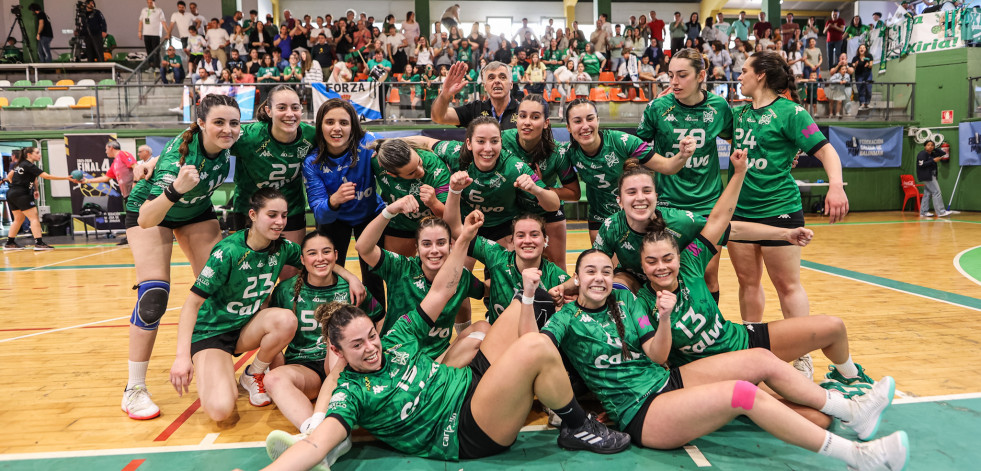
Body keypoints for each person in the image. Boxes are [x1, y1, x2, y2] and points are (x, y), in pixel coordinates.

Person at [260, 211, 631, 471]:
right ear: (339, 352)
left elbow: (441, 290)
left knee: (525, 305)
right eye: (357, 346)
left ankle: (556, 383)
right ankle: (577, 424)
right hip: (467, 429)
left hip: (469, 384)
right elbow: (314, 444)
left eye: (372, 336)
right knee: (535, 347)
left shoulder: (398, 335)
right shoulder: (352, 391)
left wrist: (465, 239)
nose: (372, 347)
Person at [528, 246, 909, 471]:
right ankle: (858, 456)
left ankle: (854, 411)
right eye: (590, 271)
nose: (599, 278)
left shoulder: (626, 300)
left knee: (757, 356)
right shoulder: (565, 319)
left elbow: (658, 355)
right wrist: (530, 298)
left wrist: (663, 318)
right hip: (642, 412)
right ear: (576, 277)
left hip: (666, 381)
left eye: (606, 271)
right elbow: (532, 349)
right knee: (743, 394)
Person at [119, 94, 241, 420]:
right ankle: (134, 389)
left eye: (233, 123)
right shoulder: (177, 164)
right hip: (153, 210)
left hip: (195, 212)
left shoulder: (226, 142)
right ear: (201, 123)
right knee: (155, 294)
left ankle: (215, 366)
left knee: (220, 287)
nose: (227, 129)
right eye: (219, 122)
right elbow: (147, 218)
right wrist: (174, 189)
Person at [732, 51, 849, 379]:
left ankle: (802, 356)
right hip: (740, 212)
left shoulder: (792, 113)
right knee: (747, 282)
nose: (738, 77)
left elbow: (826, 151)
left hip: (779, 209)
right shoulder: (738, 115)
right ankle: (753, 350)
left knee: (787, 285)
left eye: (743, 71)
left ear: (761, 75)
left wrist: (835, 187)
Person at [168, 188, 303, 422]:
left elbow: (318, 260)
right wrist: (181, 357)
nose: (280, 222)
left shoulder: (283, 248)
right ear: (252, 214)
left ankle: (253, 373)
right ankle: (216, 369)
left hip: (246, 326)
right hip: (213, 332)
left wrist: (351, 277)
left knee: (285, 320)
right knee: (220, 411)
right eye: (272, 215)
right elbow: (192, 305)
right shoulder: (228, 252)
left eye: (284, 215)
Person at [633, 49, 733, 299]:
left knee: (708, 274)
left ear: (701, 75)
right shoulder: (657, 107)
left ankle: (709, 333)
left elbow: (738, 142)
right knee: (664, 273)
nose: (674, 82)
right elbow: (638, 153)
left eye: (682, 75)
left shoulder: (719, 107)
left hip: (708, 204)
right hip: (668, 204)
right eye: (670, 75)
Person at [263, 229, 381, 431]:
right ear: (302, 259)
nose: (320, 258)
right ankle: (312, 431)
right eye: (312, 253)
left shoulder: (352, 288)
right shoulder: (285, 291)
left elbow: (378, 318)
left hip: (345, 366)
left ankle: (324, 431)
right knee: (272, 379)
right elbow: (271, 334)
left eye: (326, 252)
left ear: (336, 255)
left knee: (336, 334)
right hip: (306, 369)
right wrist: (277, 364)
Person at [355, 195, 489, 357]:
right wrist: (389, 211)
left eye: (441, 243)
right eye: (427, 244)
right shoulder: (401, 267)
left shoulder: (460, 275)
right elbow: (363, 248)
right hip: (398, 355)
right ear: (417, 248)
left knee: (482, 327)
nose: (434, 250)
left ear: (450, 246)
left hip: (438, 359)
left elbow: (485, 290)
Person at [564, 98, 696, 243]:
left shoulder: (622, 142)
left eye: (590, 119)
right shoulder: (569, 153)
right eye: (577, 121)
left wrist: (683, 155)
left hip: (636, 214)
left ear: (598, 120)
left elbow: (667, 167)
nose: (585, 126)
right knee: (605, 265)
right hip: (600, 217)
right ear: (568, 127)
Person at [303, 98, 387, 307]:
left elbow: (396, 160)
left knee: (374, 276)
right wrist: (334, 201)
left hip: (369, 214)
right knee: (329, 271)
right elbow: (320, 214)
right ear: (320, 126)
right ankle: (330, 319)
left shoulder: (368, 144)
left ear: (353, 126)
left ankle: (377, 324)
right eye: (329, 122)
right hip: (335, 220)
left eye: (344, 122)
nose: (337, 128)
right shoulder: (313, 162)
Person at [429, 117, 560, 247]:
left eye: (494, 141)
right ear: (469, 143)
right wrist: (454, 189)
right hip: (467, 224)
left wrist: (536, 190)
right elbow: (424, 142)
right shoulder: (454, 153)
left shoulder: (515, 167)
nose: (488, 148)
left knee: (512, 264)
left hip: (503, 226)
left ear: (501, 143)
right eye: (480, 141)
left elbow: (554, 205)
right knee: (458, 265)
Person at [228, 85, 315, 281]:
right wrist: (155, 161)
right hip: (249, 211)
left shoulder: (311, 136)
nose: (290, 114)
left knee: (291, 275)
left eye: (295, 107)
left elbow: (352, 140)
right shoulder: (248, 136)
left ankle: (286, 311)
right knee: (251, 275)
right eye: (282, 107)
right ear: (269, 110)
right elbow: (204, 140)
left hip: (290, 211)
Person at [499, 95, 580, 264]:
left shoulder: (557, 152)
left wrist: (542, 188)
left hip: (548, 211)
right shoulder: (501, 140)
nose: (527, 122)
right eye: (522, 116)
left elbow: (574, 194)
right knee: (511, 267)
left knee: (557, 266)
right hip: (513, 210)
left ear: (546, 123)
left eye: (535, 117)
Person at [2, 148, 74, 251]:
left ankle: (10, 243)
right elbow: (47, 176)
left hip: (12, 193)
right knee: (34, 217)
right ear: (29, 154)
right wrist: (66, 178)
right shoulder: (29, 165)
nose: (39, 154)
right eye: (37, 153)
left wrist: (32, 189)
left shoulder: (21, 164)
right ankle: (39, 243)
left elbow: (10, 175)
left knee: (19, 219)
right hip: (21, 194)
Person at [432, 61, 520, 129]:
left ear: (511, 84)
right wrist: (445, 94)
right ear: (485, 86)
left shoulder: (522, 111)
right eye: (491, 78)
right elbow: (438, 117)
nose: (497, 81)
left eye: (502, 77)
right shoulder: (474, 109)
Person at [917, 141, 952, 218]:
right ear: (924, 146)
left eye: (932, 145)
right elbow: (921, 165)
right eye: (928, 145)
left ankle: (923, 212)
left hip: (932, 175)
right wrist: (933, 161)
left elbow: (943, 153)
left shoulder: (932, 153)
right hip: (927, 176)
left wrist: (935, 148)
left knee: (927, 194)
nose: (930, 146)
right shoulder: (922, 154)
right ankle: (941, 212)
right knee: (936, 192)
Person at [138, 0, 167, 67]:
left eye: (151, 2)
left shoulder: (159, 10)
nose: (149, 4)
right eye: (148, 2)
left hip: (155, 34)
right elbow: (141, 22)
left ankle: (157, 66)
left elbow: (163, 22)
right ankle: (151, 66)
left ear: (154, 2)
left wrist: (167, 32)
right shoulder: (144, 10)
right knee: (149, 51)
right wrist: (139, 31)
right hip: (146, 33)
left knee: (156, 51)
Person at [827, 53, 851, 119]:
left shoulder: (847, 75)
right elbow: (831, 80)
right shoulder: (836, 74)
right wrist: (838, 81)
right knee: (831, 101)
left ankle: (837, 113)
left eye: (845, 69)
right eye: (843, 69)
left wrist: (845, 81)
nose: (844, 70)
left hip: (840, 90)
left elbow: (848, 79)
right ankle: (831, 113)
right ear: (840, 70)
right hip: (833, 89)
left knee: (840, 101)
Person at [852, 44, 873, 110]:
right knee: (860, 89)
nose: (862, 49)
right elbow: (853, 67)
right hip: (859, 75)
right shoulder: (855, 58)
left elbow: (871, 65)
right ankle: (862, 103)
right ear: (858, 50)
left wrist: (868, 64)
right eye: (860, 48)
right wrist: (855, 64)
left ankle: (867, 103)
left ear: (866, 49)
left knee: (868, 89)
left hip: (868, 74)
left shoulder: (869, 56)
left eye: (863, 48)